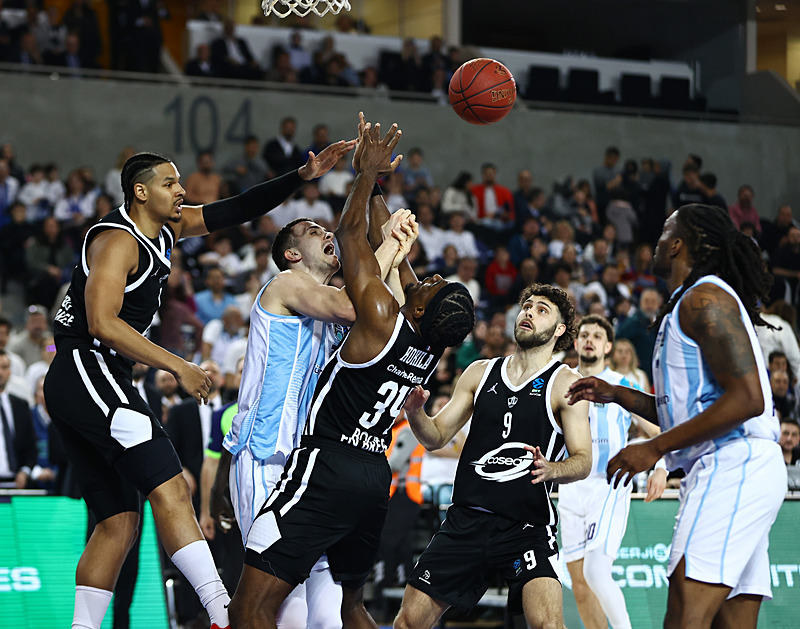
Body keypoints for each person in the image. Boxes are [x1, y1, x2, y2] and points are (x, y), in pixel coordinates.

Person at [42, 138, 354, 629]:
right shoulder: (118, 240)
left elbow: (238, 208)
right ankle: (221, 612)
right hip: (87, 366)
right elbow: (101, 322)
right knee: (171, 485)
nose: (181, 190)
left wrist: (300, 176)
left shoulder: (170, 227)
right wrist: (178, 366)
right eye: (170, 183)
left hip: (97, 376)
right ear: (140, 192)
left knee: (118, 523)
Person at [227, 118, 475, 628]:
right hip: (359, 472)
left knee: (254, 605)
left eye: (429, 283)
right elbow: (393, 266)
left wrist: (365, 177)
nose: (423, 276)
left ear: (420, 307)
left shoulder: (376, 315)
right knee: (344, 606)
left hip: (319, 462)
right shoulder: (426, 341)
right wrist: (379, 188)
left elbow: (353, 248)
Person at [567, 203, 786, 629]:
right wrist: (619, 395)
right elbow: (687, 412)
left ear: (679, 245)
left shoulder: (706, 297)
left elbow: (748, 399)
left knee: (684, 615)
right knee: (729, 622)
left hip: (734, 463)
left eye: (666, 232)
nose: (657, 241)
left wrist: (653, 448)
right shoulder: (686, 303)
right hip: (732, 465)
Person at [212, 202, 414, 628]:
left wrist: (396, 255)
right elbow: (351, 304)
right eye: (312, 230)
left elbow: (387, 319)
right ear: (292, 253)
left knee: (328, 610)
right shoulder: (284, 285)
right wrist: (384, 245)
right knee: (281, 603)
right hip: (266, 457)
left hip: (312, 466)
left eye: (326, 229)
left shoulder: (336, 309)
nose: (327, 234)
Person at [393, 283, 591, 629]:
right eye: (527, 306)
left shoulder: (566, 384)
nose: (529, 312)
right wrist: (415, 412)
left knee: (548, 625)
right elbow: (436, 437)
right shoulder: (479, 372)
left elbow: (583, 460)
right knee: (408, 622)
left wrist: (552, 469)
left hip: (525, 525)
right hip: (467, 519)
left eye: (541, 310)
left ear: (559, 330)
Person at [558, 315, 666, 629]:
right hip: (570, 485)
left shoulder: (622, 385)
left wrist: (661, 467)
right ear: (576, 343)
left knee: (596, 572)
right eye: (584, 335)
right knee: (579, 582)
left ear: (608, 347)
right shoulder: (560, 383)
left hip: (608, 483)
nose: (589, 340)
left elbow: (657, 429)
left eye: (597, 336)